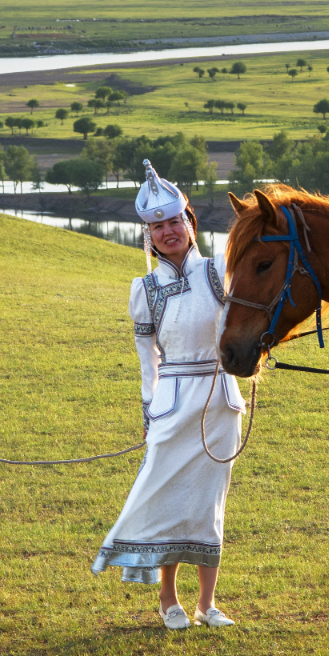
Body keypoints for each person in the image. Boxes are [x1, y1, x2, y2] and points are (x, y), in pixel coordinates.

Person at [92, 161, 246, 629]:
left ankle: (208, 603)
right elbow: (147, 359)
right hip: (171, 403)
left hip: (220, 400)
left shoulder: (220, 271)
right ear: (148, 236)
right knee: (167, 495)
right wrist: (148, 410)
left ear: (190, 222)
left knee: (208, 499)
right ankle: (167, 599)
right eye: (158, 226)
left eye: (174, 221)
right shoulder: (145, 289)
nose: (168, 231)